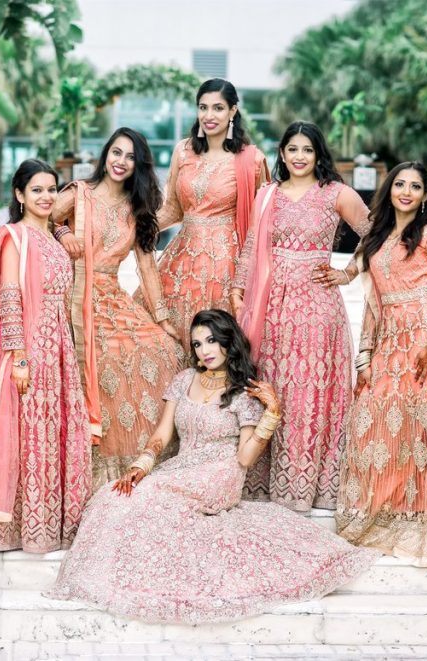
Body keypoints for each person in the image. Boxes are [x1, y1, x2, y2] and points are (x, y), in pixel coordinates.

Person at [45, 310, 379, 624]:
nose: (204, 350)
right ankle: (110, 578)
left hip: (221, 472)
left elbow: (246, 457)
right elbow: (163, 433)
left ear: (227, 341)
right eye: (197, 343)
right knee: (115, 496)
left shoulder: (243, 391)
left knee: (152, 499)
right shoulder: (184, 379)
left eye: (211, 340)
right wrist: (142, 465)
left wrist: (272, 411)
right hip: (183, 466)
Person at [335, 162, 427, 573]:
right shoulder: (376, 236)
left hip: (424, 336)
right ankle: (384, 513)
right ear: (389, 190)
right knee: (378, 420)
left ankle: (422, 519)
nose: (406, 191)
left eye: (415, 186)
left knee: (422, 427)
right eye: (400, 184)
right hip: (388, 339)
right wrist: (364, 355)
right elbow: (370, 297)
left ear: (424, 196)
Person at [229, 121, 369, 512]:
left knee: (311, 390)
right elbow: (252, 247)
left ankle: (312, 485)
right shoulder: (267, 194)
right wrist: (240, 288)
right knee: (272, 385)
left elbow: (376, 233)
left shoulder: (336, 193)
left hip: (317, 308)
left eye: (307, 149)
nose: (300, 156)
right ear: (283, 153)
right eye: (292, 149)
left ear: (318, 153)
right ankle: (264, 482)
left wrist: (347, 272)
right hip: (271, 306)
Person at [0, 160, 91, 552]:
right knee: (26, 432)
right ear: (19, 195)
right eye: (37, 190)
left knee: (53, 431)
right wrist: (18, 357)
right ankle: (14, 526)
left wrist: (63, 229)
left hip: (59, 343)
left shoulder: (54, 238)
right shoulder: (13, 237)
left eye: (52, 189)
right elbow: (9, 298)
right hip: (29, 345)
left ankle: (49, 520)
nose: (46, 197)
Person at [52, 127, 185, 486]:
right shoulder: (78, 194)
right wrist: (63, 233)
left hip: (111, 294)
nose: (120, 162)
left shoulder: (137, 208)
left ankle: (142, 461)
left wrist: (163, 319)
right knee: (104, 356)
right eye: (116, 152)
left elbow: (146, 266)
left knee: (161, 350)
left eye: (130, 156)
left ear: (138, 165)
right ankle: (91, 465)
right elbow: (40, 217)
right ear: (105, 154)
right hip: (73, 291)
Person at [147, 78, 269, 346]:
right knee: (163, 337)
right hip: (181, 262)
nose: (209, 115)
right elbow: (172, 210)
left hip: (226, 266)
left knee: (217, 344)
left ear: (233, 111)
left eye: (218, 108)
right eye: (203, 107)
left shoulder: (252, 160)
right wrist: (136, 228)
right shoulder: (183, 150)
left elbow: (261, 224)